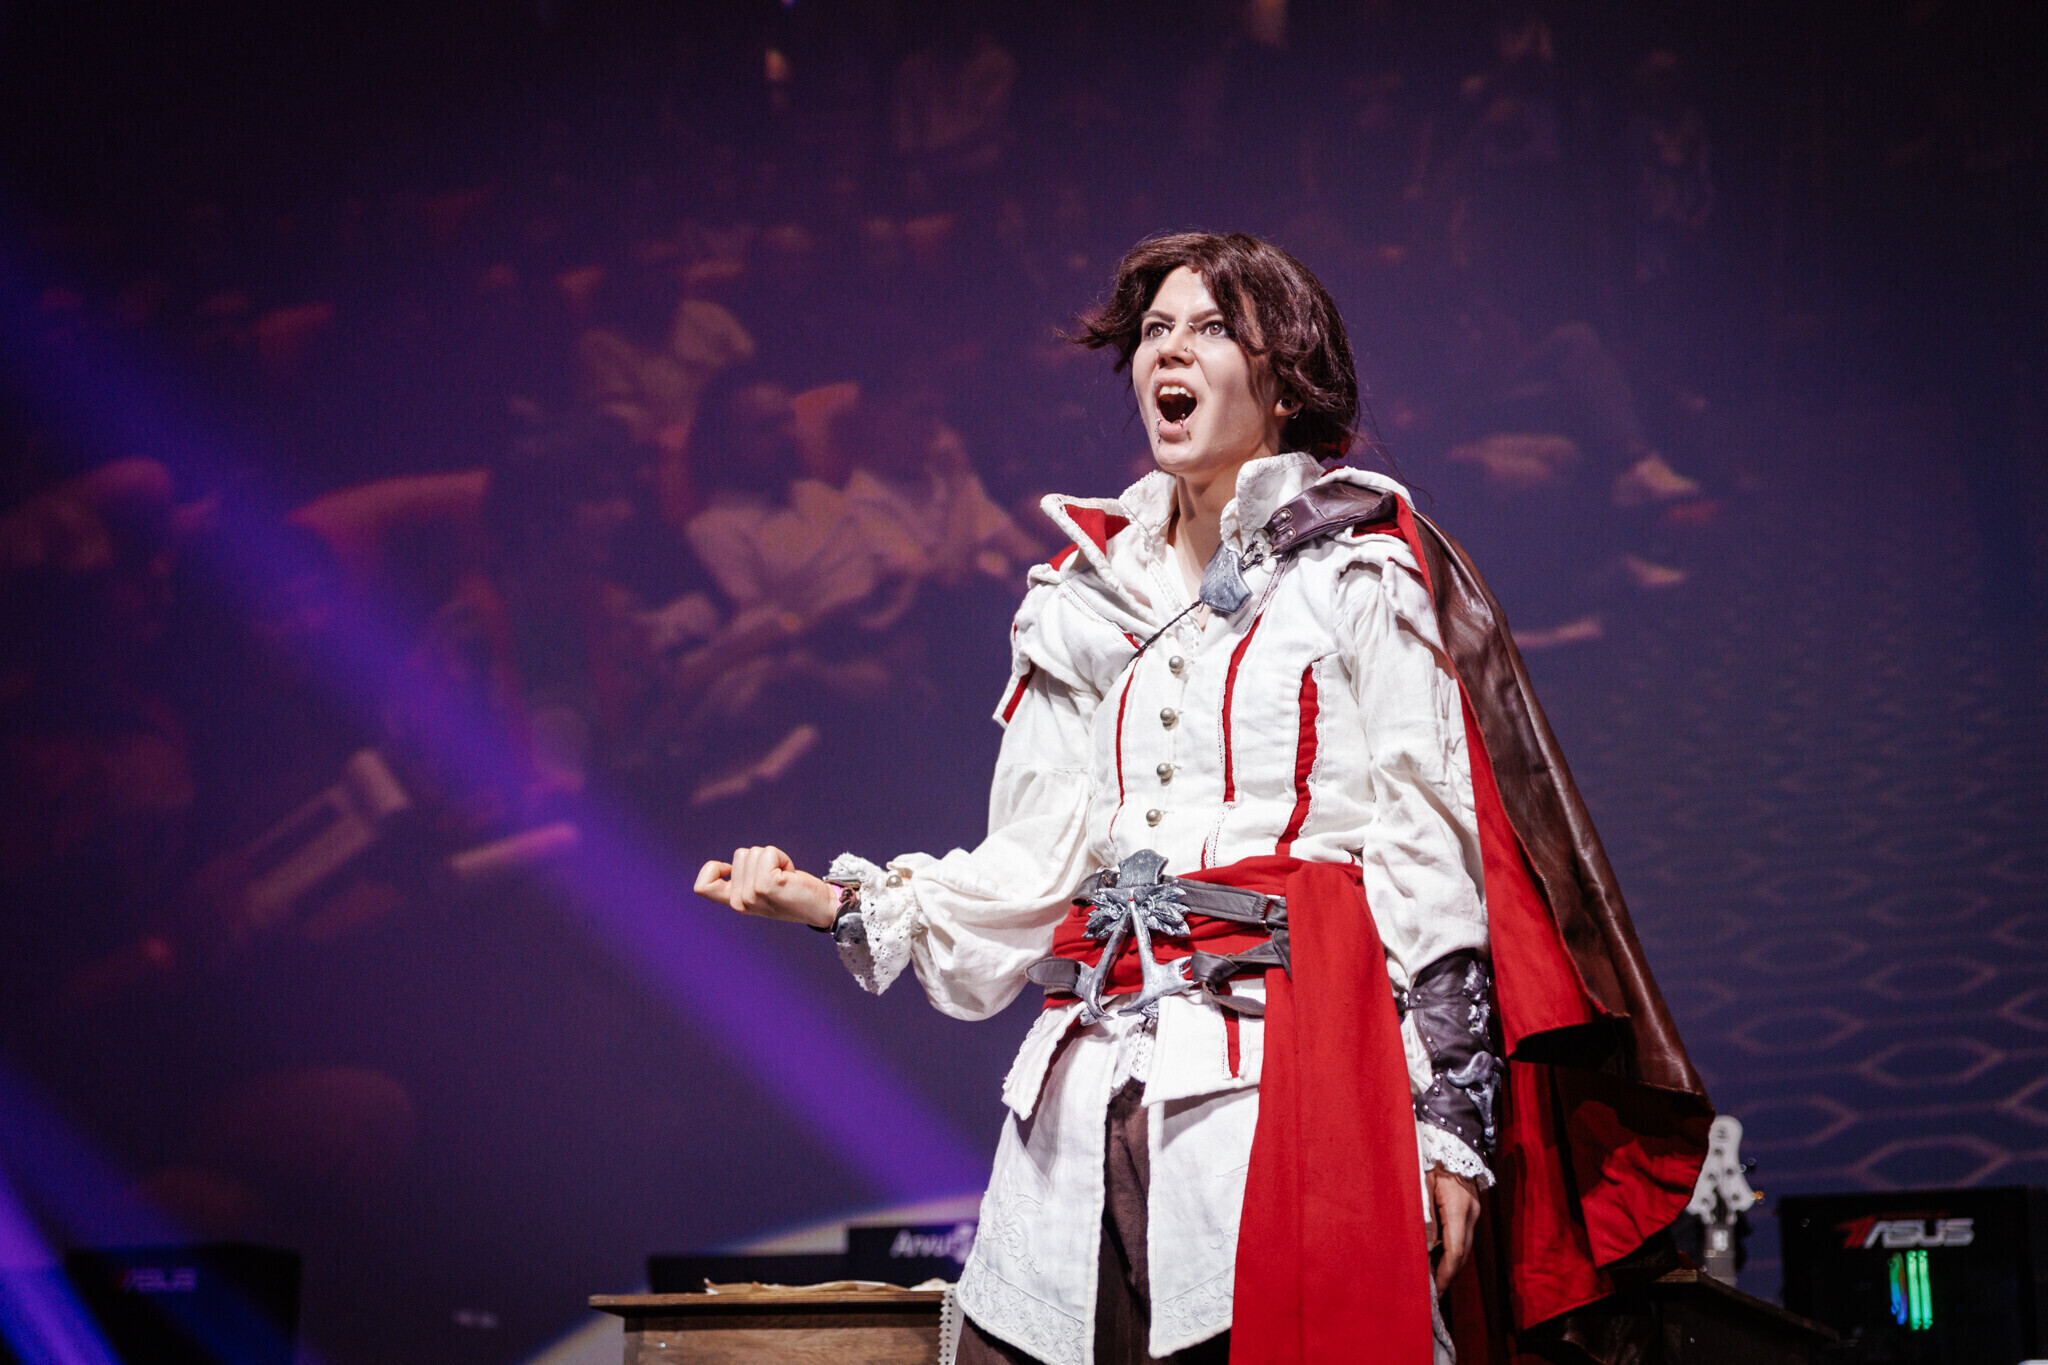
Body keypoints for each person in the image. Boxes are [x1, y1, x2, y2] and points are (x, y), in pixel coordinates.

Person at [695, 233, 1710, 1365]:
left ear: (1285, 382)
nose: (1169, 352)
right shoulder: (1082, 601)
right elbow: (1032, 864)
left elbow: (1427, 861)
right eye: (1154, 332)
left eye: (1213, 328)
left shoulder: (1354, 572)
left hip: (1287, 1087)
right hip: (1081, 1093)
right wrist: (838, 903)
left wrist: (1448, 1129)